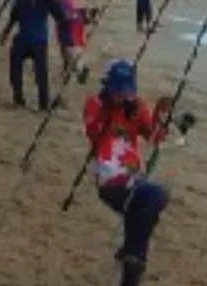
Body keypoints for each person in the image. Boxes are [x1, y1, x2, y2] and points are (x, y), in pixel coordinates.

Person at [83, 60, 172, 286]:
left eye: (126, 92)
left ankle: (131, 254)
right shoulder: (95, 104)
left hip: (134, 176)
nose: (122, 97)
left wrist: (161, 116)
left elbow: (155, 138)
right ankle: (133, 263)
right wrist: (114, 109)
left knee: (153, 201)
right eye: (117, 92)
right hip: (109, 178)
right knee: (152, 199)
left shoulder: (137, 106)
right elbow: (93, 131)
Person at [0, 0, 66, 110]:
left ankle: (43, 104)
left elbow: (60, 17)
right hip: (22, 38)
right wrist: (6, 32)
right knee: (15, 70)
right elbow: (14, 15)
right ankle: (18, 98)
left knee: (41, 74)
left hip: (39, 40)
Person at [54, 0, 88, 80]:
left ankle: (78, 70)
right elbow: (84, 16)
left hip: (68, 28)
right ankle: (71, 70)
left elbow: (64, 15)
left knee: (68, 51)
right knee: (70, 50)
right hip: (74, 27)